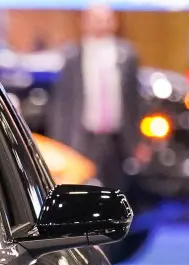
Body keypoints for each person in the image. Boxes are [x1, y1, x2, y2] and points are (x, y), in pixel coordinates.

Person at [45, 4, 146, 193]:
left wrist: (138, 141)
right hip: (83, 138)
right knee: (81, 193)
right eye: (95, 18)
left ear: (115, 21)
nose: (101, 23)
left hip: (117, 140)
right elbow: (62, 105)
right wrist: (60, 143)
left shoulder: (127, 55)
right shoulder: (73, 56)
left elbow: (135, 101)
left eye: (106, 18)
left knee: (119, 193)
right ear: (84, 21)